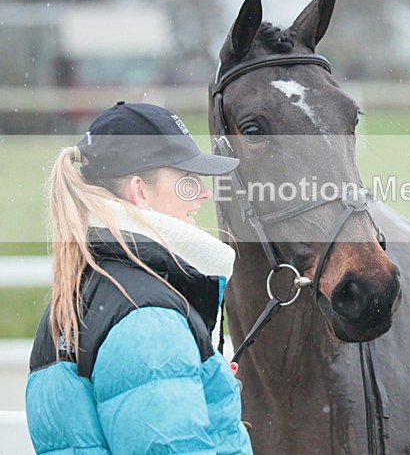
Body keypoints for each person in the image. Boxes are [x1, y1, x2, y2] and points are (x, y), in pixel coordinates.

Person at [25, 101, 253, 454]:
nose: (204, 194)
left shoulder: (82, 293)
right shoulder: (149, 320)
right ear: (140, 191)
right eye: (187, 180)